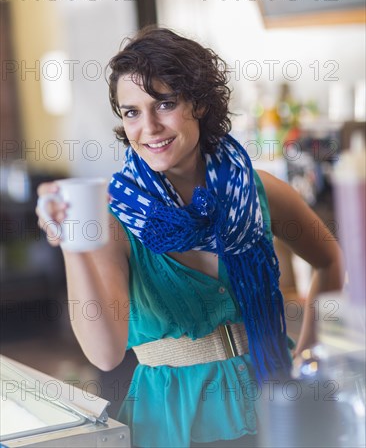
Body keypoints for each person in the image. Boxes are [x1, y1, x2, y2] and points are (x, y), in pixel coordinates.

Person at [36, 26, 343, 448]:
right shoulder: (113, 218)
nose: (149, 127)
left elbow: (331, 262)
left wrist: (309, 356)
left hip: (277, 407)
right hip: (176, 425)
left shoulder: (255, 190)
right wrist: (70, 241)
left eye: (165, 103)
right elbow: (104, 354)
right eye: (131, 112)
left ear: (198, 103)